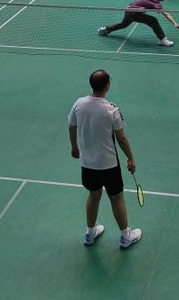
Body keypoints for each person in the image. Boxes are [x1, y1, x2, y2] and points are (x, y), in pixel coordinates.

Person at [68, 70, 142, 250]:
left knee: (93, 195)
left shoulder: (79, 103)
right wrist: (131, 158)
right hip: (109, 165)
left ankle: (89, 233)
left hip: (87, 163)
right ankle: (125, 236)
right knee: (116, 198)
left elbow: (72, 126)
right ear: (107, 85)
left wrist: (74, 148)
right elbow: (121, 139)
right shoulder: (111, 109)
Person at [97, 0, 179, 47]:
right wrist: (175, 23)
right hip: (133, 13)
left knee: (123, 25)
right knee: (153, 20)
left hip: (131, 10)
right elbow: (166, 14)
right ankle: (163, 40)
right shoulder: (153, 1)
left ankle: (105, 29)